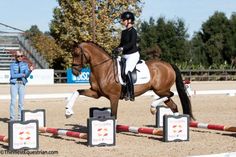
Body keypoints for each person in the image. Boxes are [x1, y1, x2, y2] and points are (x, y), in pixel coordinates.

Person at [114, 11, 140, 101]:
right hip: (125, 55)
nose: (123, 21)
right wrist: (117, 48)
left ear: (129, 20)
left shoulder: (133, 31)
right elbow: (122, 43)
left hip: (133, 55)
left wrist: (122, 48)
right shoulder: (124, 32)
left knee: (126, 71)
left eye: (124, 20)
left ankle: (130, 93)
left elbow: (132, 43)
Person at [9, 51, 34, 121]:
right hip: (14, 84)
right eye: (18, 56)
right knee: (13, 102)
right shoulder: (12, 65)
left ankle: (20, 118)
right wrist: (21, 74)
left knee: (21, 102)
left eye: (21, 56)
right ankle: (12, 118)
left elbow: (26, 76)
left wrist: (30, 71)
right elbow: (13, 75)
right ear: (15, 57)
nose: (20, 57)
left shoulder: (25, 65)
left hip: (22, 84)